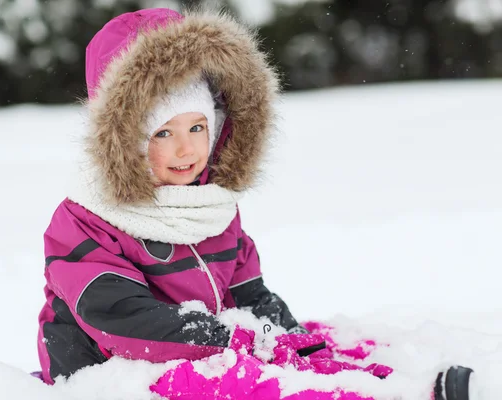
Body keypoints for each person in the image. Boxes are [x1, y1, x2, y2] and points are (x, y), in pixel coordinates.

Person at [36, 8, 475, 399]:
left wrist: (282, 336)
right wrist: (239, 340)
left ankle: (389, 379)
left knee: (309, 344)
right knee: (257, 386)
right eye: (163, 134)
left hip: (205, 344)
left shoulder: (208, 204)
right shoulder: (88, 220)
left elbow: (249, 294)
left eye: (197, 128)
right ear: (125, 141)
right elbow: (121, 320)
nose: (187, 150)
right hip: (114, 371)